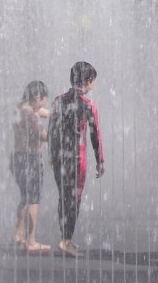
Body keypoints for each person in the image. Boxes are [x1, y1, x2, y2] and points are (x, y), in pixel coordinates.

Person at [48, 61, 105, 257]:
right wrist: (100, 160)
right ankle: (66, 240)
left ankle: (65, 238)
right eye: (93, 82)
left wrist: (52, 155)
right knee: (74, 199)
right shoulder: (89, 106)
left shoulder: (58, 101)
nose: (93, 86)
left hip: (60, 157)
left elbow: (52, 131)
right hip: (77, 158)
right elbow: (95, 135)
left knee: (64, 197)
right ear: (88, 81)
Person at [11, 81, 51, 252]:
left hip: (17, 158)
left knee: (25, 196)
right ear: (37, 98)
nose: (43, 105)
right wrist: (57, 133)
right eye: (43, 101)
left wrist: (54, 114)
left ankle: (18, 235)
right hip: (31, 159)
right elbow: (42, 136)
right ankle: (31, 241)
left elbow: (40, 111)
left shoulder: (19, 109)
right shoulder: (31, 117)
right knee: (34, 199)